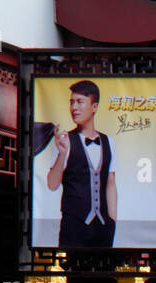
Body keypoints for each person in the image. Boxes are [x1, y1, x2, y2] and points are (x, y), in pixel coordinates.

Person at [47, 79, 117, 247]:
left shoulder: (109, 142)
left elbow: (110, 184)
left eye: (80, 102)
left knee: (103, 272)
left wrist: (112, 221)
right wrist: (62, 154)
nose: (74, 108)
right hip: (74, 225)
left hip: (102, 227)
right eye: (72, 102)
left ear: (94, 107)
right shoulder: (64, 140)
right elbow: (52, 184)